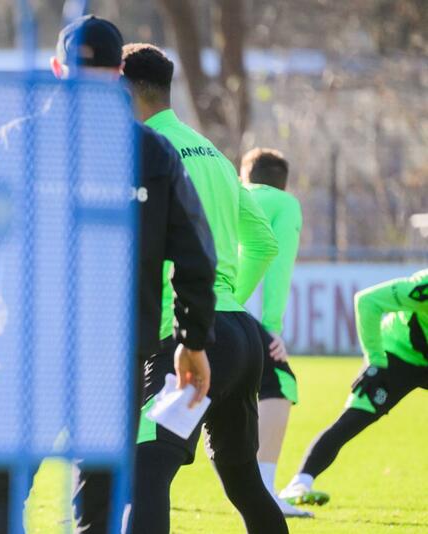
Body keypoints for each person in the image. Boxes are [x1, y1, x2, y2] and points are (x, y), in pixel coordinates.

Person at [0, 16, 218, 534]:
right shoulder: (153, 152)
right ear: (119, 73)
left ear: (56, 69)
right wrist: (191, 341)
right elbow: (197, 256)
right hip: (114, 358)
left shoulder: (16, 141)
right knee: (99, 504)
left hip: (27, 348)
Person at [122, 43, 288, 533]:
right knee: (243, 481)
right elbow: (262, 240)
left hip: (190, 340)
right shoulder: (211, 152)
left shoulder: (145, 154)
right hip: (239, 333)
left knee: (145, 472)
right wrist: (229, 293)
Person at [279, 269, 428, 508]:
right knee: (354, 419)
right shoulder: (423, 286)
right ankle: (300, 482)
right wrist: (375, 360)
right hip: (398, 354)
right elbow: (367, 301)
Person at [236, 148, 310, 518]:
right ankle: (264, 492)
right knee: (280, 382)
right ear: (282, 182)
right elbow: (276, 263)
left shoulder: (231, 193)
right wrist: (272, 327)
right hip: (232, 307)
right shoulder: (285, 204)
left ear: (244, 176)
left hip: (189, 299)